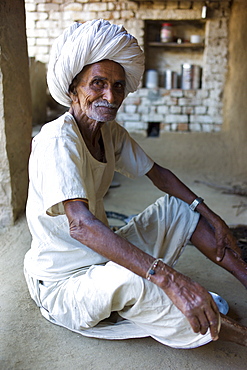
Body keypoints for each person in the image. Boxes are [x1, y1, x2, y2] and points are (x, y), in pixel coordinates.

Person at [24, 19, 247, 349]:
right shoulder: (57, 141)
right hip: (63, 284)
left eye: (117, 86)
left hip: (99, 259)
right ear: (74, 89)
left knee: (179, 209)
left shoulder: (106, 131)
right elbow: (82, 227)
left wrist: (212, 216)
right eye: (97, 84)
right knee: (140, 279)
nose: (110, 96)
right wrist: (170, 278)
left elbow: (158, 174)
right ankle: (236, 334)